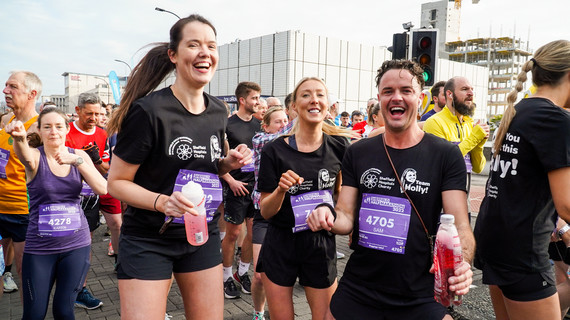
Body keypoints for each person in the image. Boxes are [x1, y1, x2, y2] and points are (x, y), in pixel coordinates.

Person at [106, 14, 251, 319]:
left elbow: (208, 166)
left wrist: (227, 163)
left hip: (201, 235)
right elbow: (116, 183)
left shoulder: (217, 109)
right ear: (173, 55)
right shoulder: (148, 111)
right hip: (148, 239)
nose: (205, 52)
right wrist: (162, 202)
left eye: (211, 46)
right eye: (193, 44)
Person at [307, 59, 474, 320]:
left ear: (420, 98)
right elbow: (345, 216)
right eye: (388, 91)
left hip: (419, 289)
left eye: (406, 90)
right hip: (360, 286)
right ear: (379, 99)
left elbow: (461, 226)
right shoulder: (358, 152)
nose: (397, 97)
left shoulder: (445, 154)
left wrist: (461, 262)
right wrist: (325, 213)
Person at [474, 40, 570, 320]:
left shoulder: (519, 110)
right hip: (522, 249)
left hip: (496, 239)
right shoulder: (556, 120)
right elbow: (566, 205)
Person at [257, 77, 351, 320]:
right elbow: (265, 211)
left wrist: (333, 215)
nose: (314, 100)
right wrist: (280, 191)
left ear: (328, 104)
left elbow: (340, 195)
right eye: (306, 95)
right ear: (294, 107)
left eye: (320, 94)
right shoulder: (274, 150)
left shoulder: (341, 146)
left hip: (320, 245)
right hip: (281, 244)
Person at [5, 108, 107, 319]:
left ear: (67, 129)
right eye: (47, 127)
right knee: (34, 314)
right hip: (40, 250)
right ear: (40, 131)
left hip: (76, 247)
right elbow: (22, 153)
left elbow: (102, 188)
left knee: (63, 311)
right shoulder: (35, 157)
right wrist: (19, 138)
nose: (54, 131)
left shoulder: (79, 155)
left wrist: (77, 162)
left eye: (59, 126)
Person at [65, 92, 113, 309]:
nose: (94, 117)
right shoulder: (65, 131)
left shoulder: (102, 134)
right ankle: (64, 287)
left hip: (90, 196)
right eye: (89, 113)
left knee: (86, 242)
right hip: (66, 196)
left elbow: (106, 168)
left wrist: (93, 160)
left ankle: (79, 289)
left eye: (97, 113)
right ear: (78, 111)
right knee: (64, 243)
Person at [423, 77, 489, 222]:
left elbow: (478, 168)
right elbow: (443, 163)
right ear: (449, 94)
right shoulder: (434, 122)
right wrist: (473, 138)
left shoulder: (468, 123)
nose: (471, 93)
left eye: (472, 89)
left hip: (465, 204)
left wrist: (479, 145)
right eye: (465, 89)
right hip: (440, 206)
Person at [0, 71, 41, 294]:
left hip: (22, 211)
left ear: (31, 94)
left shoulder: (40, 128)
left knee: (25, 275)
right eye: (6, 86)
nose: (6, 90)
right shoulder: (7, 121)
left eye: (12, 86)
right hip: (1, 206)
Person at [221, 81, 261, 299]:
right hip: (234, 187)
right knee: (233, 233)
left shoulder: (258, 125)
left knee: (254, 233)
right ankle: (226, 276)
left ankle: (242, 272)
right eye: (254, 98)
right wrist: (230, 181)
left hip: (255, 187)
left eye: (259, 98)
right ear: (242, 100)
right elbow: (216, 159)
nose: (258, 102)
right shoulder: (227, 125)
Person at [251, 106, 291, 320]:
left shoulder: (294, 143)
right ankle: (258, 313)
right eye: (278, 121)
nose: (284, 124)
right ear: (265, 126)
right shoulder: (261, 141)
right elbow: (279, 137)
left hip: (288, 216)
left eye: (286, 120)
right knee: (259, 275)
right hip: (264, 214)